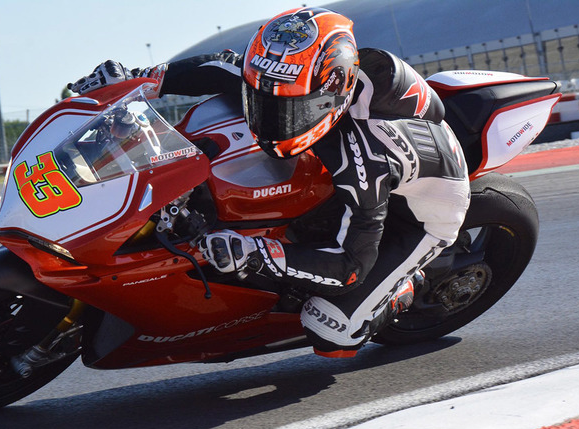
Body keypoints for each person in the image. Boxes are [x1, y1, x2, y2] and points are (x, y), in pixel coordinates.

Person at [68, 7, 470, 358]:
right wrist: (136, 79)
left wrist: (257, 252)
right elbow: (221, 68)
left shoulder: (366, 158)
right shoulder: (291, 74)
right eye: (263, 99)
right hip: (375, 139)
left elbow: (349, 268)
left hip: (428, 204)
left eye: (288, 108)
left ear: (330, 99)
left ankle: (406, 285)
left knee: (332, 329)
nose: (270, 115)